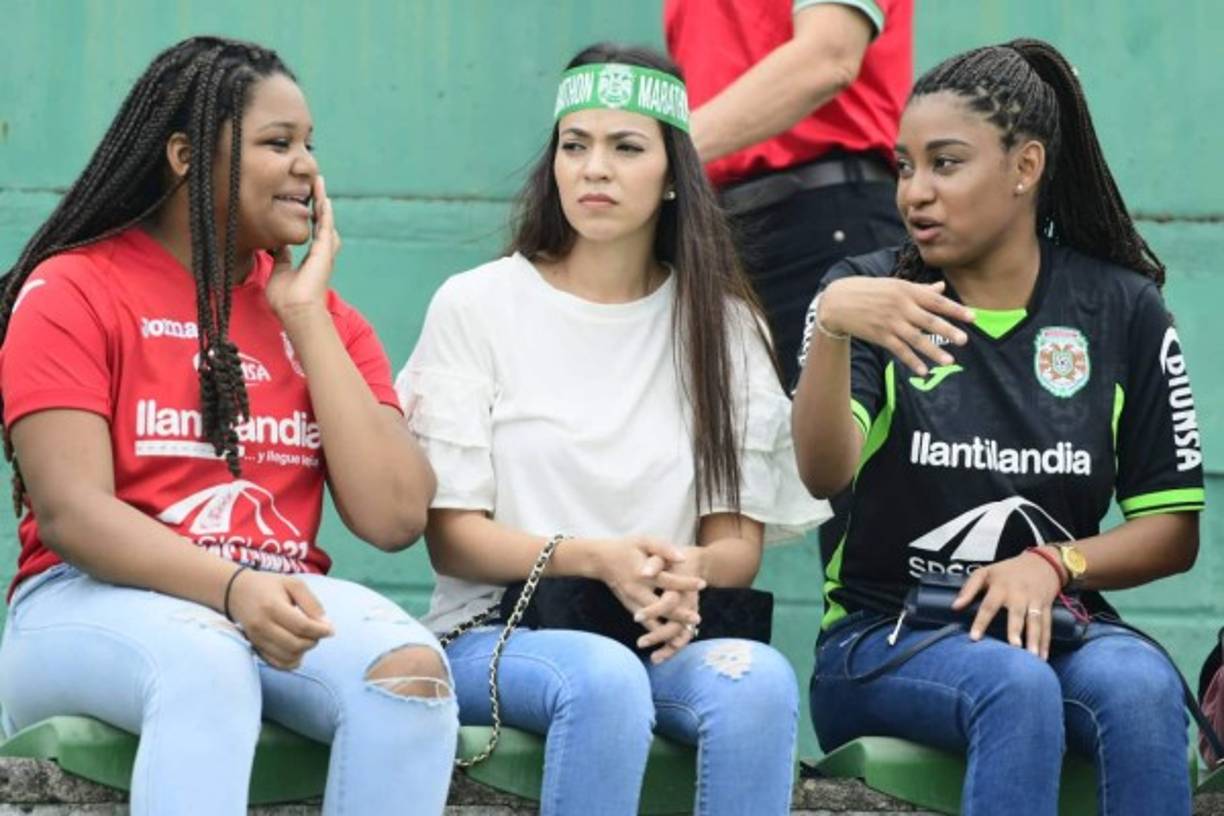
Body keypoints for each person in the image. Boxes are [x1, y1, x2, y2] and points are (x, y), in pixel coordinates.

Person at [0, 36, 457, 815]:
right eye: (278, 143)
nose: (307, 166)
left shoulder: (326, 320)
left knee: (408, 673)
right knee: (207, 663)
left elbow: (394, 517)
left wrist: (305, 318)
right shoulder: (74, 289)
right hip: (82, 604)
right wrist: (232, 588)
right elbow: (72, 512)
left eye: (310, 144)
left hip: (271, 601)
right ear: (185, 156)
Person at [397, 44, 828, 816]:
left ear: (673, 175)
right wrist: (597, 559)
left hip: (661, 633)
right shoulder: (478, 304)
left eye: (626, 147)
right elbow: (454, 539)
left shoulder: (727, 326)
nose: (594, 169)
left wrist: (683, 575)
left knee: (757, 682)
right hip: (499, 630)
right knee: (604, 679)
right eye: (575, 145)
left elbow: (735, 547)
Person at [792, 39, 1204, 815]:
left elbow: (1172, 533)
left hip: (1056, 624)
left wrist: (1054, 563)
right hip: (883, 635)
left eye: (945, 164)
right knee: (1013, 685)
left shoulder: (1122, 310)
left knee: (1141, 686)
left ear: (1026, 167)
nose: (915, 192)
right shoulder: (872, 291)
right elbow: (823, 473)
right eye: (905, 167)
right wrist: (832, 328)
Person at [665, 0, 913, 559]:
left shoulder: (666, 150)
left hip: (827, 217)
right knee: (693, 477)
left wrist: (660, 151)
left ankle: (876, 622)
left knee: (862, 475)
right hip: (713, 221)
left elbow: (828, 56)